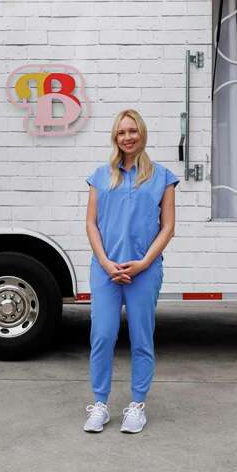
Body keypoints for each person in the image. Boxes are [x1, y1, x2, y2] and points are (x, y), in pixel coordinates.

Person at [83, 108, 177, 434]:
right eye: (122, 132)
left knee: (141, 339)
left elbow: (167, 228)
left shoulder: (162, 177)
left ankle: (137, 406)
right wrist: (107, 264)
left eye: (132, 131)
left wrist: (144, 263)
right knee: (103, 337)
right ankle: (99, 405)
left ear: (142, 134)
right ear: (115, 136)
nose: (127, 137)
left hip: (144, 271)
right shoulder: (100, 176)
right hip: (106, 271)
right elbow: (91, 224)